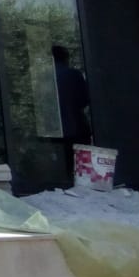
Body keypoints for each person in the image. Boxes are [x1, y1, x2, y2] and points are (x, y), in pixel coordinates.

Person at [53, 45, 91, 184]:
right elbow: (84, 99)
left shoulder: (46, 76)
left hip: (56, 128)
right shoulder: (74, 75)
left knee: (63, 164)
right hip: (76, 125)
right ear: (66, 58)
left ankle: (65, 183)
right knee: (81, 166)